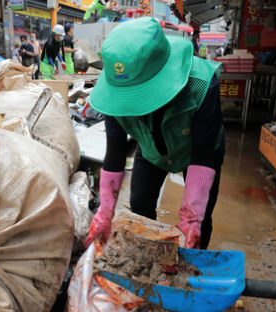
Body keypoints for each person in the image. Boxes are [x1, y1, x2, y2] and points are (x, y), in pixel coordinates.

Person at [84, 17, 224, 251]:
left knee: (201, 218)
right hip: (151, 149)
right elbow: (116, 150)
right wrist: (105, 212)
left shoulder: (201, 85)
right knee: (139, 203)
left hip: (198, 153)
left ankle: (194, 260)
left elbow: (203, 151)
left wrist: (191, 220)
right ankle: (148, 255)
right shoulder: (115, 95)